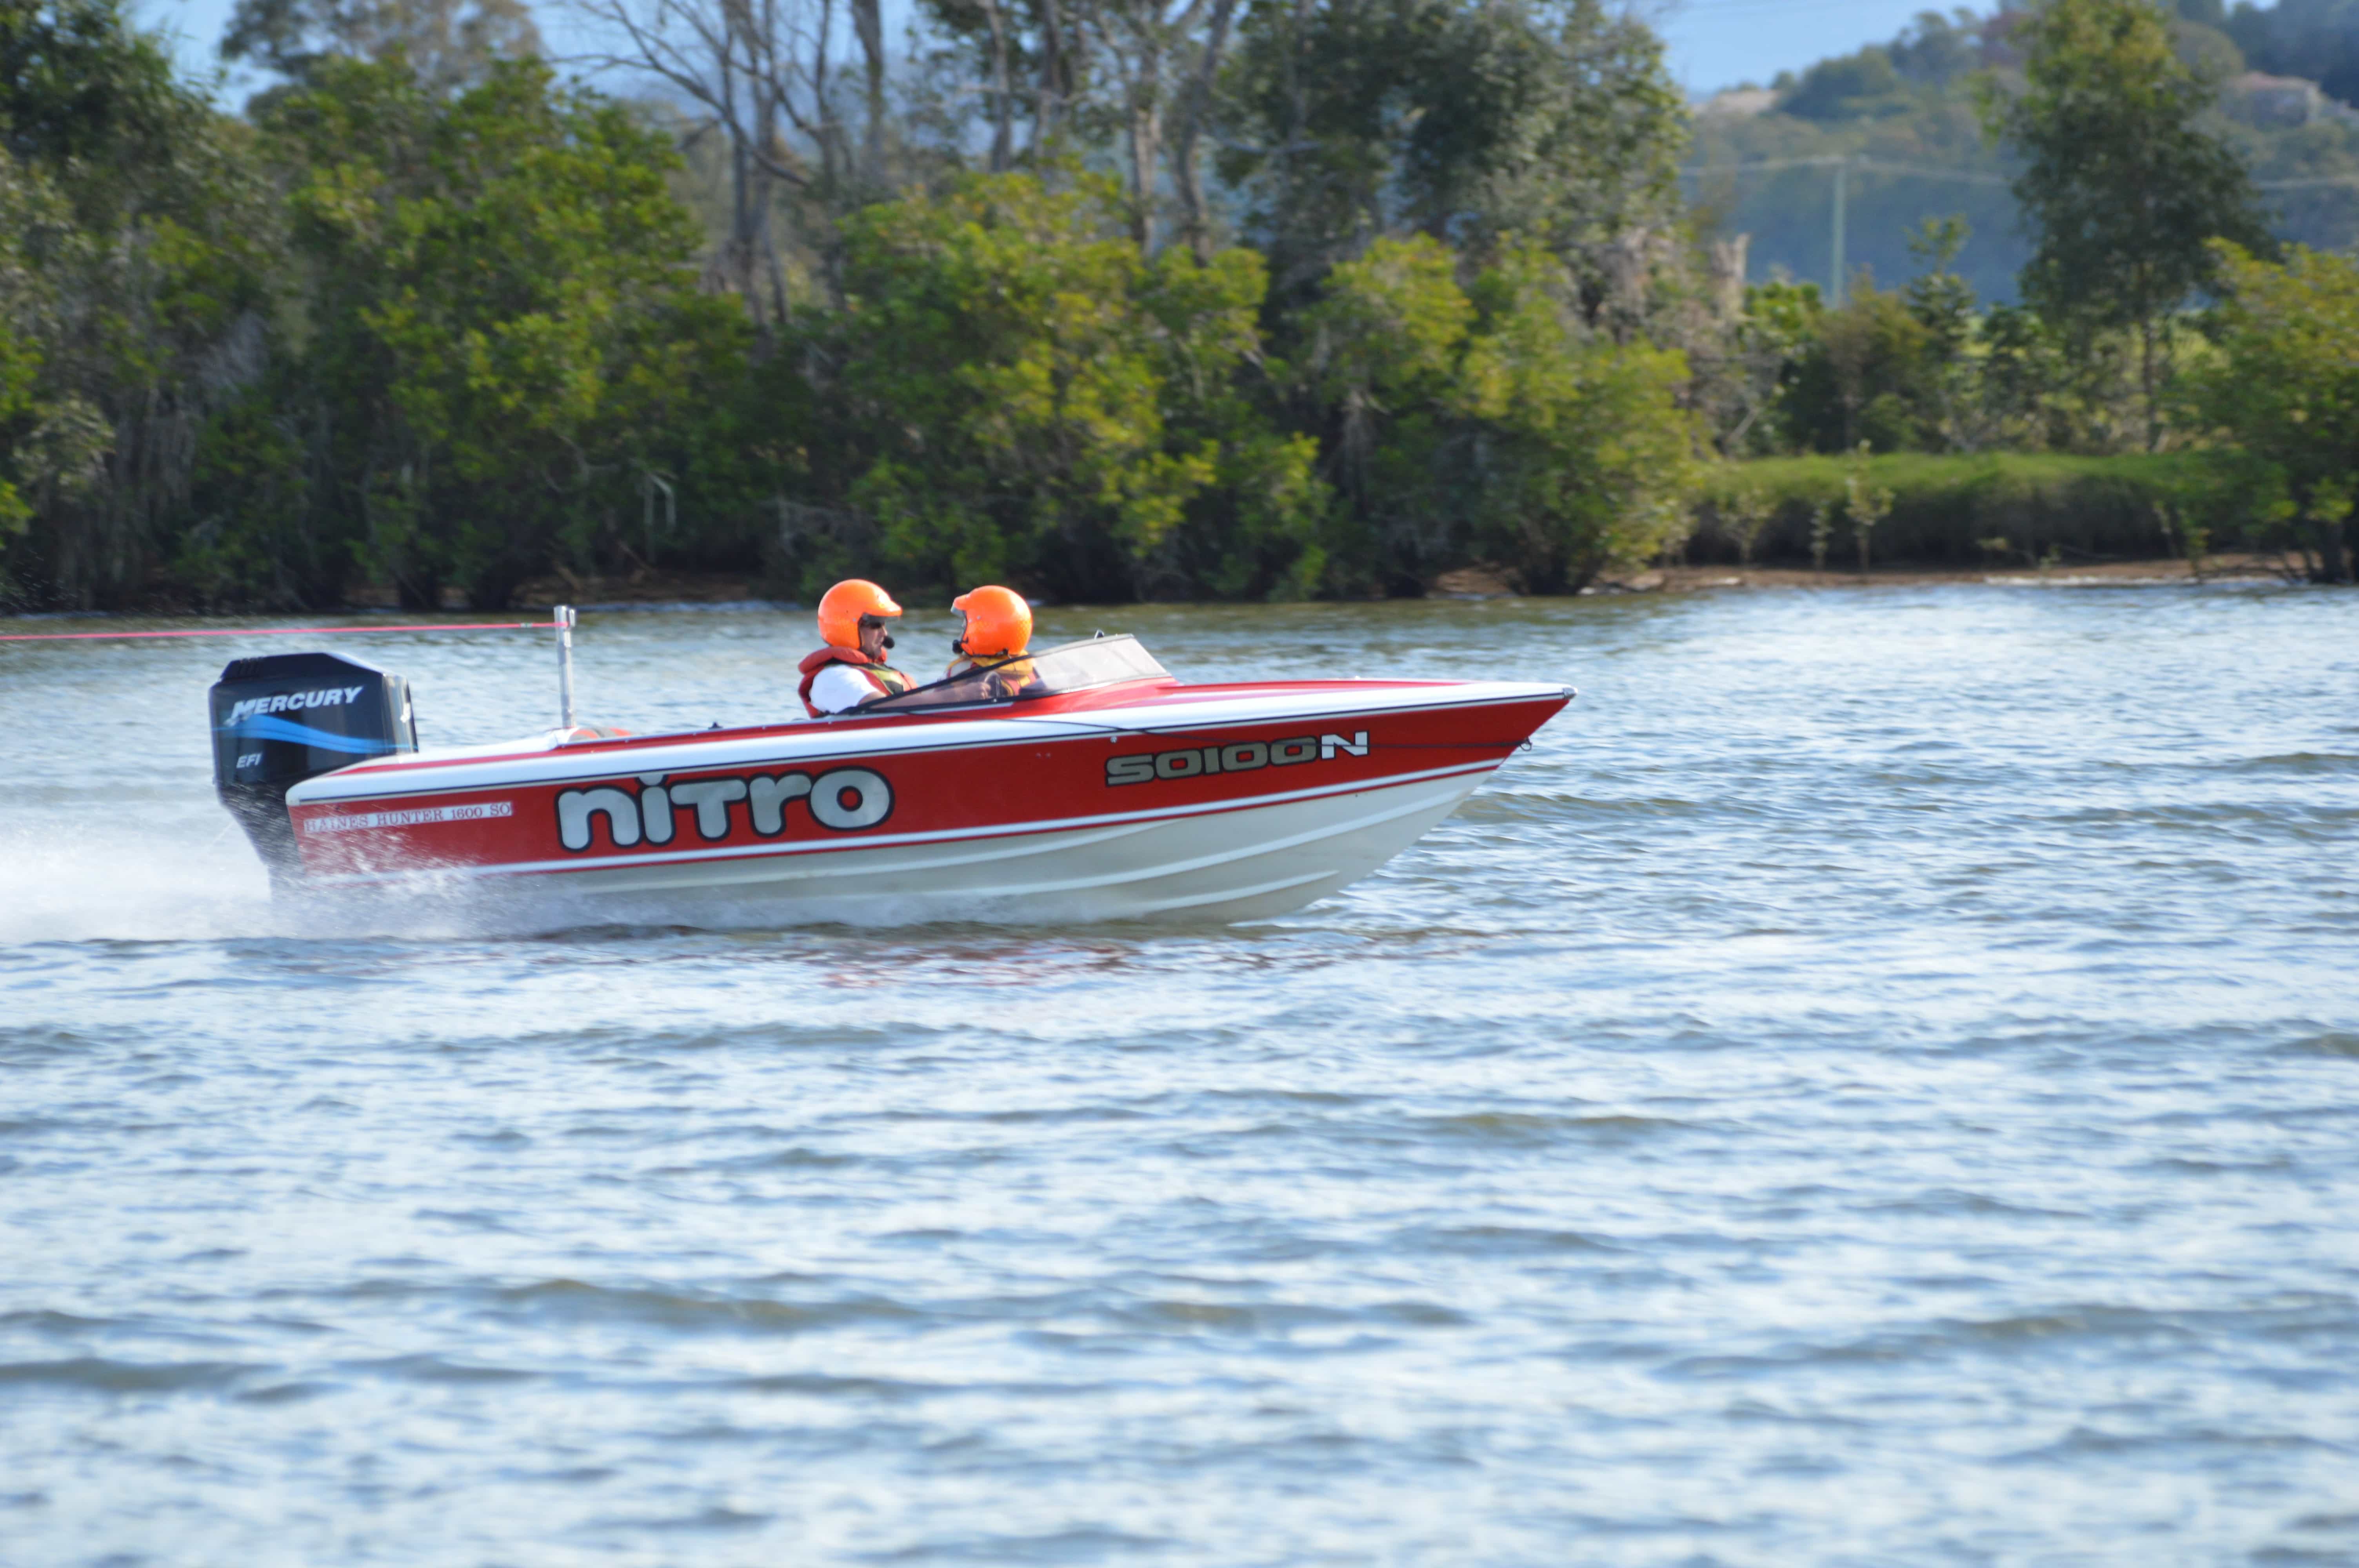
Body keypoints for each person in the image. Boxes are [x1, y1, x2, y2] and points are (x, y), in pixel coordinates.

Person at [799, 579, 913, 717]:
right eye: (876, 625)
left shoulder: (875, 671)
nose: (885, 633)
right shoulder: (834, 677)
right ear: (848, 627)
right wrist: (942, 698)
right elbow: (881, 706)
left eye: (884, 625)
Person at [945, 585, 1039, 699]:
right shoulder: (1032, 668)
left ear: (982, 632)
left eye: (965, 627)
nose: (961, 633)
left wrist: (959, 693)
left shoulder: (967, 675)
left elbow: (919, 704)